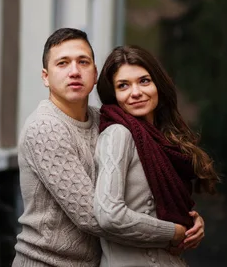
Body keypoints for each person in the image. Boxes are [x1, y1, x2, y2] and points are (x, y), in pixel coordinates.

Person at [12, 29, 205, 267]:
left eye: (83, 62)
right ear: (45, 76)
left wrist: (188, 219)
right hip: (47, 262)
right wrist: (175, 231)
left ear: (94, 74)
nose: (74, 71)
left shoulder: (104, 120)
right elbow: (95, 217)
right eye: (62, 63)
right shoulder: (45, 127)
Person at [94, 45, 220, 266]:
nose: (136, 93)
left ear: (158, 85)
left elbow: (160, 204)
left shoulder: (162, 138)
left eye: (144, 81)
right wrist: (174, 231)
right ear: (113, 95)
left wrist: (192, 222)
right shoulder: (118, 134)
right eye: (123, 85)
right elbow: (109, 214)